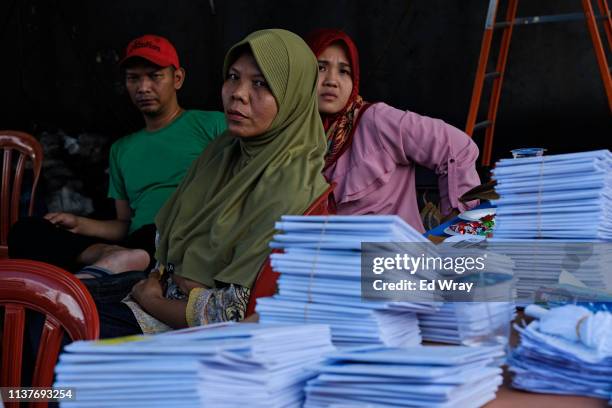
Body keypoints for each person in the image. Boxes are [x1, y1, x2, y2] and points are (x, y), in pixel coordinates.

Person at [95, 29, 329, 337]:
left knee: (54, 329)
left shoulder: (290, 187)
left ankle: (28, 391)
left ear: (293, 96)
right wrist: (158, 278)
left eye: (260, 83)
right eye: (233, 77)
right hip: (153, 294)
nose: (238, 93)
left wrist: (152, 299)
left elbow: (234, 315)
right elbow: (167, 249)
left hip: (183, 331)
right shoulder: (221, 152)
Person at [8, 35, 226, 274]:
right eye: (133, 78)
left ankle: (117, 266)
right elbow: (125, 224)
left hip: (186, 235)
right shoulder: (121, 148)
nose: (143, 88)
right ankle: (107, 255)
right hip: (137, 241)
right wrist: (79, 223)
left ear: (177, 78)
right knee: (25, 231)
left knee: (159, 230)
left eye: (154, 76)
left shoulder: (212, 124)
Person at [305, 29, 481, 233]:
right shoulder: (292, 140)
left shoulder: (375, 121)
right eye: (320, 68)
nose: (332, 81)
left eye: (344, 71)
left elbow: (458, 148)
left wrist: (456, 232)